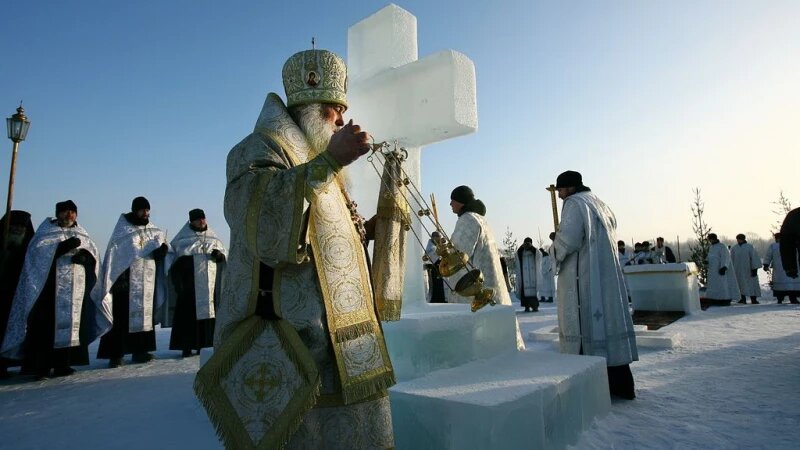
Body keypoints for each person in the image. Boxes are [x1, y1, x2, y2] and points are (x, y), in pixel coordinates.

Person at [202, 48, 404, 449]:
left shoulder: (315, 158)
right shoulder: (257, 148)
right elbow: (262, 223)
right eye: (335, 111)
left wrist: (372, 227)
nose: (342, 120)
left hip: (342, 343)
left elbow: (325, 244)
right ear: (311, 108)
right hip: (294, 343)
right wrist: (328, 161)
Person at [551, 170, 638, 400]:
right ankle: (621, 385)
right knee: (607, 328)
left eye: (560, 190)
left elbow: (568, 238)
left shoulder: (574, 203)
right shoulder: (599, 203)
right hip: (605, 276)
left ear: (569, 188)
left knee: (587, 328)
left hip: (587, 278)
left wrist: (554, 250)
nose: (559, 194)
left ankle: (592, 389)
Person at [1, 201, 111, 380]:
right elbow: (37, 259)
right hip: (48, 292)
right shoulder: (45, 234)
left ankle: (63, 364)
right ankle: (41, 367)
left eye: (73, 212)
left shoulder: (82, 233)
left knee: (71, 330)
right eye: (66, 212)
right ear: (58, 214)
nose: (70, 215)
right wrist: (61, 248)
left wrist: (85, 258)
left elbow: (94, 259)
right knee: (45, 331)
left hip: (75, 291)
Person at [95, 196, 168, 368]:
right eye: (142, 210)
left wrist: (163, 251)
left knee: (144, 318)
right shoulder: (123, 231)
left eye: (147, 210)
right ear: (135, 210)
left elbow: (162, 252)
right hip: (125, 283)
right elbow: (115, 258)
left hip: (147, 282)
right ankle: (116, 354)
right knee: (121, 319)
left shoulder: (153, 231)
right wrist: (119, 279)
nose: (146, 213)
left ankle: (140, 351)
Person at [164, 209, 226, 357]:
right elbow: (172, 262)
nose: (201, 221)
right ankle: (187, 346)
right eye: (197, 219)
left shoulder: (214, 239)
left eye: (203, 218)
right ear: (191, 221)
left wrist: (220, 256)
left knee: (208, 316)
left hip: (209, 287)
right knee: (187, 317)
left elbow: (224, 259)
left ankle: (206, 345)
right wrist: (178, 283)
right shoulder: (181, 240)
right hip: (188, 288)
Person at [445, 185, 512, 308]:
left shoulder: (467, 220)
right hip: (489, 285)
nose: (450, 204)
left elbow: (459, 256)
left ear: (460, 201)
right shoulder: (480, 219)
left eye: (452, 200)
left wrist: (443, 251)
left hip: (476, 292)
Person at [0, 210, 35, 378]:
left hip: (21, 295)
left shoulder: (31, 246)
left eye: (21, 227)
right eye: (13, 227)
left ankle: (23, 363)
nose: (17, 230)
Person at [763, 233, 800, 304]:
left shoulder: (774, 246)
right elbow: (768, 256)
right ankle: (788, 298)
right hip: (786, 268)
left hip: (783, 269)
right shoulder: (791, 245)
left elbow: (768, 256)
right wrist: (766, 264)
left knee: (784, 285)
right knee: (790, 284)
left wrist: (766, 264)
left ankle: (785, 298)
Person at [704, 233, 740, 306]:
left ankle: (724, 298)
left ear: (713, 239)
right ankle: (714, 298)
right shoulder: (712, 247)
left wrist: (724, 267)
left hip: (720, 269)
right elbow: (710, 256)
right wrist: (707, 260)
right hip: (712, 270)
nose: (710, 241)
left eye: (710, 239)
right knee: (714, 285)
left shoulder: (722, 246)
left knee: (722, 284)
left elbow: (726, 257)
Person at [730, 233, 761, 304]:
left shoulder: (749, 247)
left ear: (743, 239)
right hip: (738, 270)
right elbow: (731, 259)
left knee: (751, 284)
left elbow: (754, 258)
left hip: (748, 269)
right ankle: (742, 298)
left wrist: (754, 268)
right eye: (737, 239)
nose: (738, 241)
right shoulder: (735, 248)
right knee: (740, 284)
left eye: (739, 239)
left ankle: (753, 299)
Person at [515, 237, 539, 312]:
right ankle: (527, 306)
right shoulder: (521, 252)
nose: (527, 244)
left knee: (534, 292)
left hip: (533, 275)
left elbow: (539, 256)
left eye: (528, 243)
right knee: (525, 292)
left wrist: (532, 248)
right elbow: (517, 255)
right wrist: (522, 247)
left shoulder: (535, 251)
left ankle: (535, 306)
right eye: (525, 242)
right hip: (524, 275)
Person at [423, 231, 445, 303]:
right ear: (433, 237)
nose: (439, 239)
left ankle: (441, 299)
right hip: (433, 268)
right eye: (437, 237)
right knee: (435, 284)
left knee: (440, 284)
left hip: (440, 268)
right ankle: (436, 299)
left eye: (439, 237)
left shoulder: (437, 244)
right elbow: (430, 256)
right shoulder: (431, 247)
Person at [779, 208, 800, 280]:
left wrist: (790, 267)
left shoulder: (795, 215)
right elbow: (787, 243)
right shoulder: (795, 215)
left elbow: (786, 244)